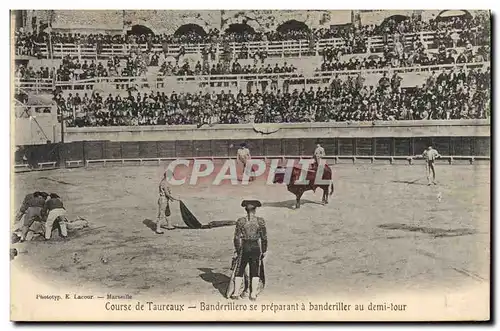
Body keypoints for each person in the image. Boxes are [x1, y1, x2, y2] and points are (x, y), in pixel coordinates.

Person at [230, 200, 267, 301]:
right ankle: (253, 294)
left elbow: (236, 238)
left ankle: (235, 293)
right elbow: (264, 238)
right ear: (255, 210)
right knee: (255, 270)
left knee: (240, 269)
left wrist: (238, 250)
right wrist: (264, 250)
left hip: (245, 246)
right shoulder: (260, 221)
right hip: (255, 247)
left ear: (246, 210)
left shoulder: (241, 221)